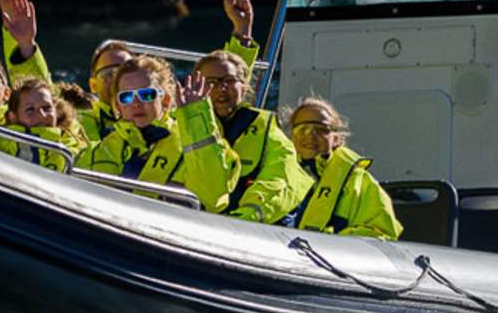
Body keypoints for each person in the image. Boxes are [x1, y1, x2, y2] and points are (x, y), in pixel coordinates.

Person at [79, 55, 241, 212]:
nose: (136, 103)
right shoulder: (105, 148)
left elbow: (212, 198)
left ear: (165, 101)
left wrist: (196, 119)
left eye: (146, 95)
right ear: (119, 106)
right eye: (126, 97)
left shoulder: (199, 140)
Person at [195, 45, 311, 224]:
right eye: (211, 82)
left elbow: (279, 178)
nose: (222, 88)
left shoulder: (266, 129)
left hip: (245, 224)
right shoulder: (182, 125)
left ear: (244, 85)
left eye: (230, 80)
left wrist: (245, 218)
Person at [287, 98, 404, 240]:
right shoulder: (276, 172)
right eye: (302, 128)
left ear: (335, 138)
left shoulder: (359, 181)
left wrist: (330, 241)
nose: (310, 135)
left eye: (321, 129)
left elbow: (381, 233)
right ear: (292, 136)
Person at [5, 78, 87, 172]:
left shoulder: (76, 150)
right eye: (30, 109)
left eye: (47, 108)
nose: (42, 115)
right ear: (13, 117)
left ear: (56, 111)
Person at [78, 40, 135, 142]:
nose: (118, 79)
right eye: (109, 74)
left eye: (125, 71)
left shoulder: (156, 111)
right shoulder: (81, 121)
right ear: (93, 85)